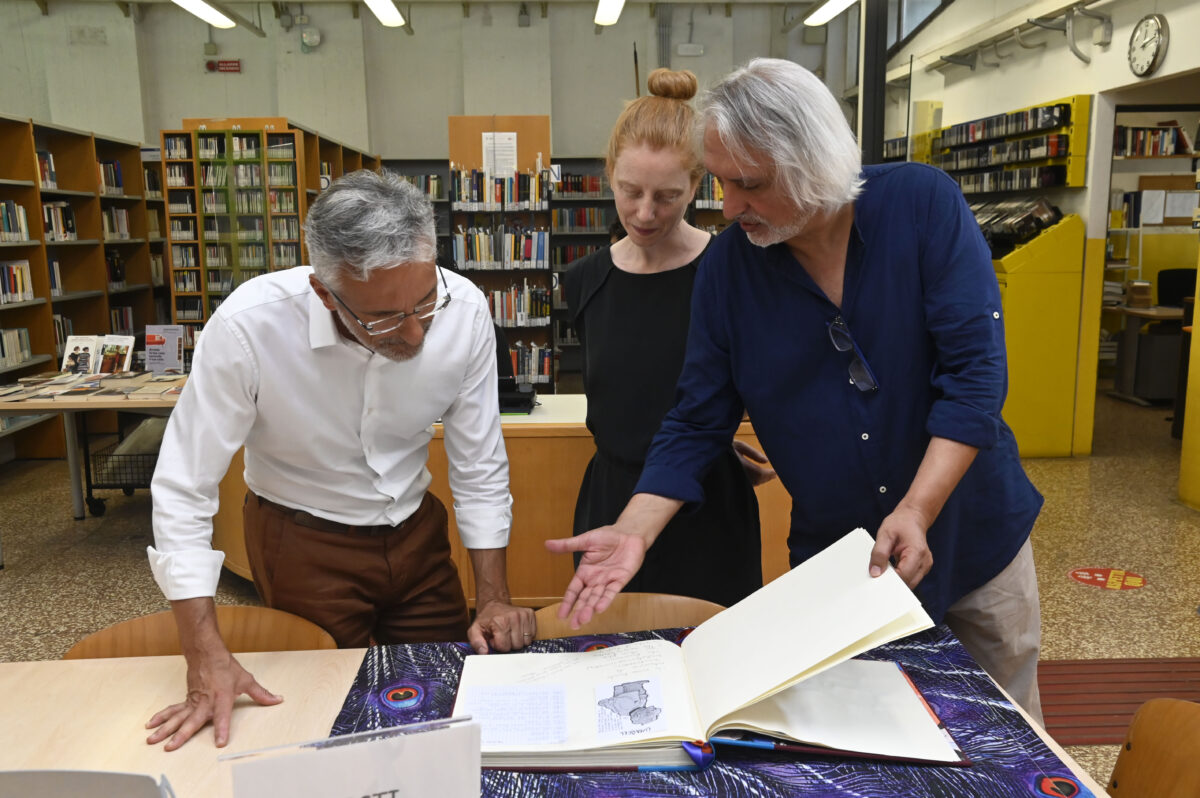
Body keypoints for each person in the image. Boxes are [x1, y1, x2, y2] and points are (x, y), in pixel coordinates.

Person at [547, 58, 1046, 724]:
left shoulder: (921, 206)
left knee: (1005, 732)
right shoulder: (729, 269)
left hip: (972, 533)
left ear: (813, 163)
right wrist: (634, 530)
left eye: (748, 185)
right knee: (868, 736)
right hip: (844, 562)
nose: (727, 208)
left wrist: (918, 508)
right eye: (721, 183)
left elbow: (975, 376)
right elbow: (698, 417)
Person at [147, 170, 535, 751]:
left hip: (417, 538)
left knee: (448, 703)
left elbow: (479, 463)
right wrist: (203, 651)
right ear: (325, 292)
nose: (414, 331)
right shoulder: (249, 327)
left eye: (425, 301)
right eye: (382, 316)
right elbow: (183, 486)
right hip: (303, 542)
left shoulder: (467, 309)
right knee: (317, 717)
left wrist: (495, 596)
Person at [563, 68, 772, 608]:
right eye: (630, 191)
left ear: (699, 185)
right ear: (608, 173)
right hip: (611, 503)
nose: (644, 213)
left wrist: (722, 443)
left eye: (668, 195)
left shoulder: (733, 269)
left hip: (709, 506)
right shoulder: (585, 280)